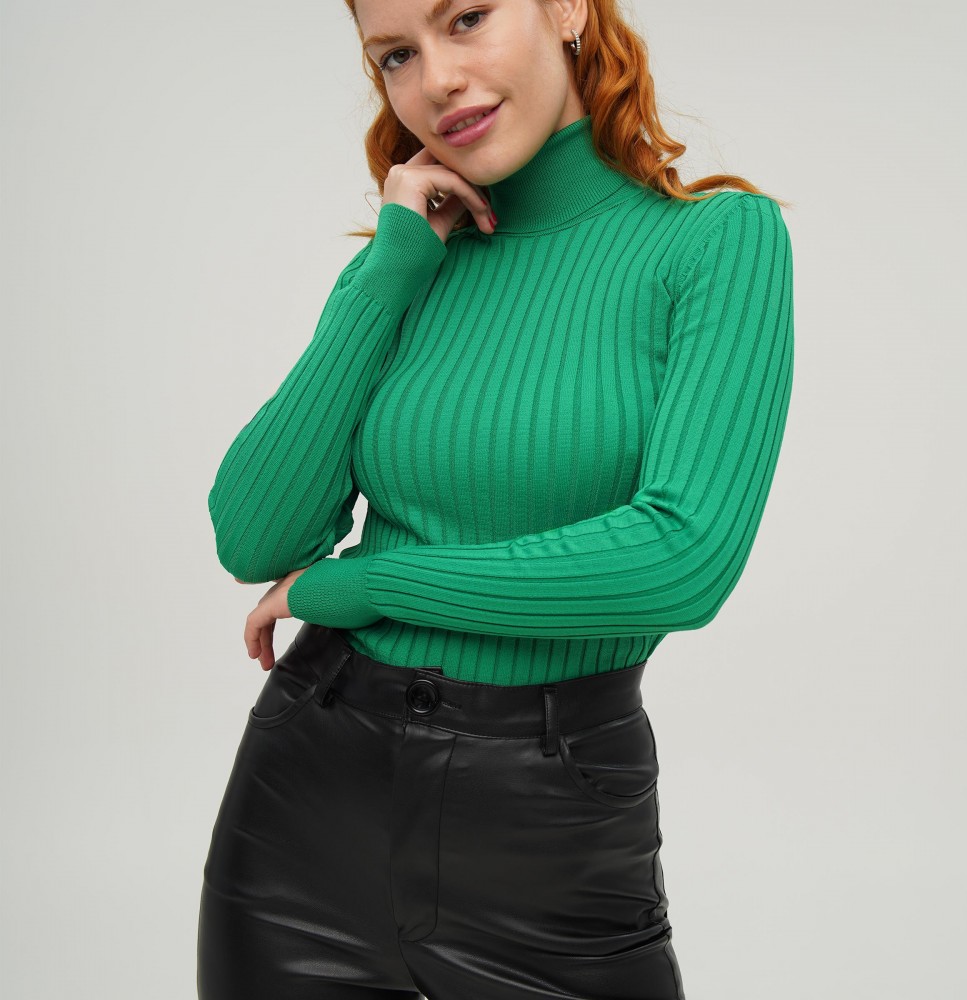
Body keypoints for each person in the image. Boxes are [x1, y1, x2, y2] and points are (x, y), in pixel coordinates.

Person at [196, 0, 794, 997]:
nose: (436, 78)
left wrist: (362, 586)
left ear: (566, 8)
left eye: (467, 17)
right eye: (396, 54)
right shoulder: (406, 264)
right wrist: (387, 273)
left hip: (551, 826)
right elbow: (254, 535)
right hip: (306, 808)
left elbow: (680, 561)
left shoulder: (715, 241)